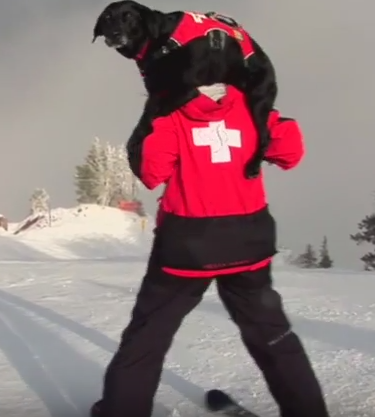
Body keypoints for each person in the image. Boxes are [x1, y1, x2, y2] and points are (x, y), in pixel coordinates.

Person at [94, 84, 330, 417]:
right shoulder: (252, 106)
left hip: (187, 250)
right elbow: (289, 154)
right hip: (248, 244)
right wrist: (272, 115)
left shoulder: (172, 114)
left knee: (148, 337)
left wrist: (155, 116)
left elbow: (151, 172)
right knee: (272, 334)